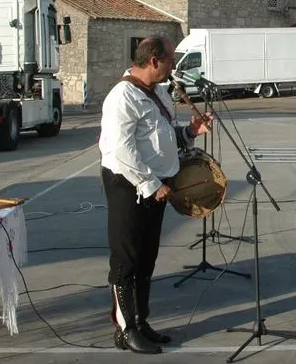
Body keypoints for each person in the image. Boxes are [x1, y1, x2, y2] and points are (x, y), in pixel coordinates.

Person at [99, 36, 213, 354]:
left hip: (155, 184)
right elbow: (123, 151)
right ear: (153, 61)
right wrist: (151, 184)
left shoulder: (157, 93)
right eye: (170, 61)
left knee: (146, 258)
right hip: (127, 185)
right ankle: (126, 329)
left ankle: (141, 320)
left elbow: (161, 139)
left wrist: (191, 132)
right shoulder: (123, 96)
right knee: (127, 259)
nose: (173, 67)